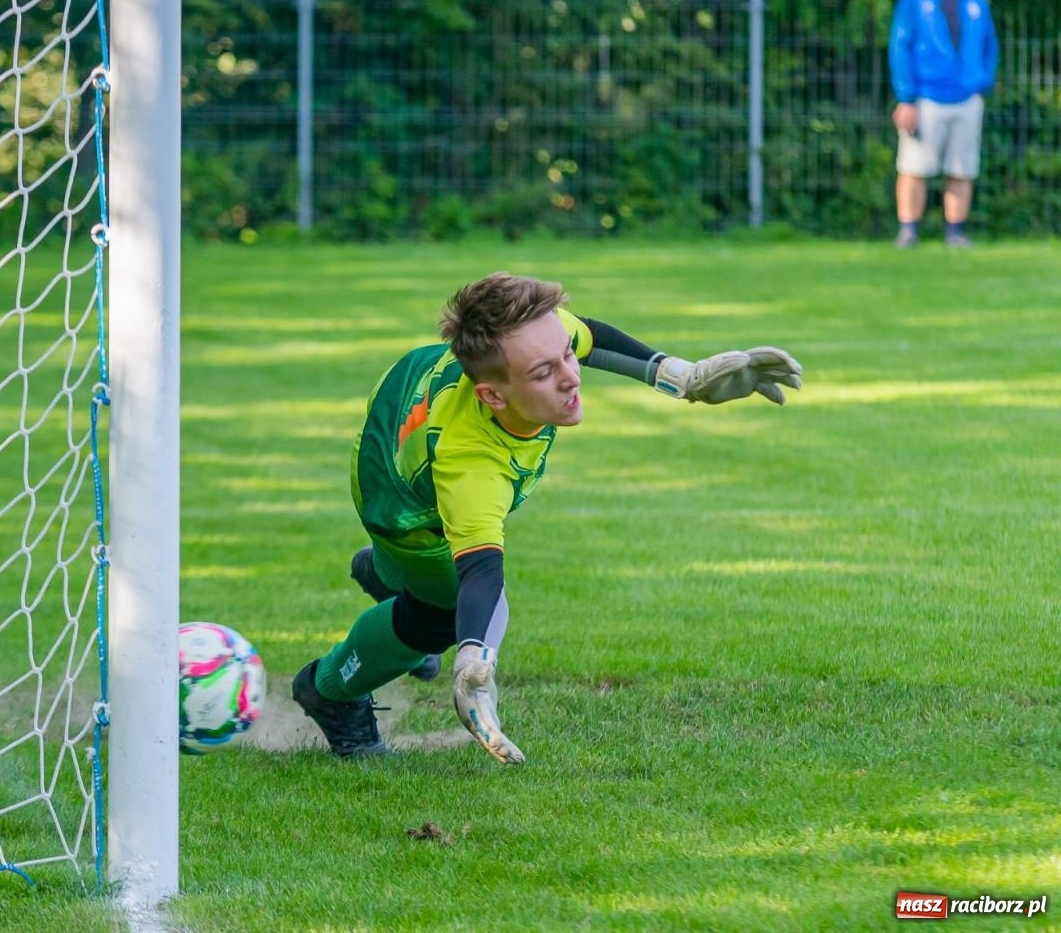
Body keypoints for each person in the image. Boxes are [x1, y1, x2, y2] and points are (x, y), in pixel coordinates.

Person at [291, 273, 802, 762]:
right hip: (401, 504)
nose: (571, 375)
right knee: (440, 617)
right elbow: (483, 573)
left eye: (564, 355)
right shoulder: (470, 467)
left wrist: (682, 377)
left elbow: (589, 337)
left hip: (408, 398)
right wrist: (475, 658)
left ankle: (385, 574)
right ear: (492, 394)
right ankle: (328, 689)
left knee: (441, 596)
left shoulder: (529, 344)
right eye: (544, 373)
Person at [888, 0, 998, 249]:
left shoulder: (976, 1)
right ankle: (908, 231)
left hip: (967, 97)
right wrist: (906, 97)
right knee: (914, 167)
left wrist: (982, 81)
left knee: (962, 168)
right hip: (926, 97)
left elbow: (990, 46)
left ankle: (955, 233)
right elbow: (900, 47)